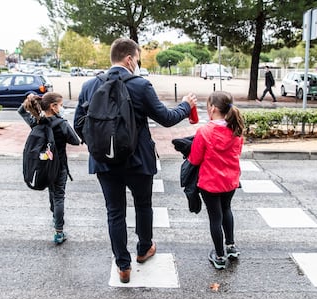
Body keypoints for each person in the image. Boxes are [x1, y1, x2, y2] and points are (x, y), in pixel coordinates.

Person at [73, 38, 197, 283]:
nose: (137, 63)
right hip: (138, 160)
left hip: (104, 163)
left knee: (114, 212)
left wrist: (99, 146)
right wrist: (185, 105)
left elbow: (79, 123)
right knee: (143, 205)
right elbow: (166, 118)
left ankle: (123, 265)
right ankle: (143, 249)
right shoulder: (141, 85)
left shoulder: (89, 85)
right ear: (129, 59)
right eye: (137, 59)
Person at [188, 91, 244, 270]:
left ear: (212, 109)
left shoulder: (205, 131)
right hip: (230, 181)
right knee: (227, 209)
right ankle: (231, 246)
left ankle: (219, 256)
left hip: (210, 182)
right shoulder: (236, 129)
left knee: (215, 217)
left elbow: (195, 159)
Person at [18, 92, 80, 245]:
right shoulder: (61, 123)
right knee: (59, 196)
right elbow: (75, 141)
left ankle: (55, 217)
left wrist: (30, 98)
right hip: (59, 167)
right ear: (53, 107)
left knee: (52, 192)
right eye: (61, 105)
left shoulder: (37, 121)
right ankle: (59, 231)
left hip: (44, 166)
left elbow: (21, 111)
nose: (62, 107)